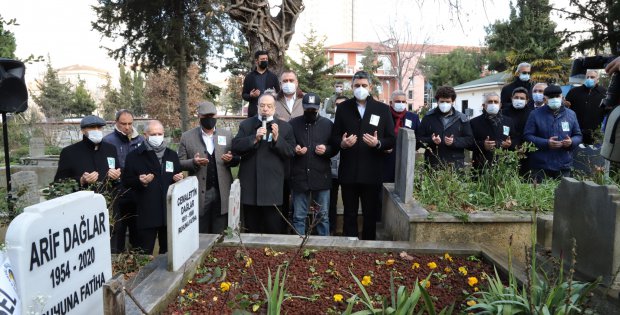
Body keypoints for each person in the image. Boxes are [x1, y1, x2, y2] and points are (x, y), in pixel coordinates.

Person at [331, 71, 396, 240]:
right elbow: (334, 136)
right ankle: (350, 245)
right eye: (357, 86)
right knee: (349, 213)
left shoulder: (382, 109)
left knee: (370, 214)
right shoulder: (343, 108)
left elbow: (391, 138)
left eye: (364, 86)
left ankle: (369, 246)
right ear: (352, 87)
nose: (360, 88)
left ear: (370, 87)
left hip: (372, 172)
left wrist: (378, 144)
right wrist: (342, 143)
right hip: (349, 172)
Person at [232, 94, 295, 234]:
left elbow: (290, 152)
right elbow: (235, 147)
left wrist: (277, 139)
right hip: (251, 186)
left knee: (273, 229)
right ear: (257, 107)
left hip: (273, 188)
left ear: (274, 107)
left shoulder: (285, 127)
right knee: (252, 229)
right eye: (262, 105)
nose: (265, 109)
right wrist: (253, 139)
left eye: (269, 106)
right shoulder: (246, 125)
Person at [178, 101, 240, 234]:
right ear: (199, 117)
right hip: (200, 191)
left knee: (220, 229)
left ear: (216, 116)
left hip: (221, 191)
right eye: (205, 116)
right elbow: (180, 162)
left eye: (212, 115)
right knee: (200, 229)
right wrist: (193, 162)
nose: (209, 119)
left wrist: (231, 159)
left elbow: (236, 158)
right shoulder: (187, 137)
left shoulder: (227, 135)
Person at [122, 120, 184, 254]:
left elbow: (177, 175)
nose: (157, 137)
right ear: (145, 135)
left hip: (168, 212)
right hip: (146, 212)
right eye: (153, 134)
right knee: (144, 252)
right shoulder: (134, 156)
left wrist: (178, 179)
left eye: (160, 133)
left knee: (168, 252)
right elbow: (126, 181)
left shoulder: (171, 155)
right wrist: (140, 181)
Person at [289, 93, 336, 236]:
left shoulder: (328, 124)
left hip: (321, 175)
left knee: (323, 216)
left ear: (319, 108)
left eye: (314, 110)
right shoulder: (293, 123)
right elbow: (288, 144)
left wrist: (326, 150)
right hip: (299, 176)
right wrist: (295, 149)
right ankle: (298, 246)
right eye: (308, 109)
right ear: (303, 107)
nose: (311, 112)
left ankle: (324, 248)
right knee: (298, 216)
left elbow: (335, 147)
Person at [102, 109, 144, 253]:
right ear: (116, 123)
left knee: (137, 229)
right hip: (117, 193)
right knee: (117, 230)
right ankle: (116, 257)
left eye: (130, 124)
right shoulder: (108, 141)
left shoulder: (140, 140)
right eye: (123, 124)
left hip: (136, 192)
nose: (127, 127)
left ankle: (137, 256)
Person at [524, 85, 583, 182]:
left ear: (561, 97)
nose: (554, 99)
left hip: (563, 164)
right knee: (540, 195)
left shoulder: (571, 114)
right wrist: (546, 143)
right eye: (551, 97)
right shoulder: (535, 114)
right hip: (541, 165)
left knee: (564, 195)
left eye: (557, 96)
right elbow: (527, 136)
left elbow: (578, 135)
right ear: (545, 99)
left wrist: (571, 142)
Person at [55, 115, 121, 189]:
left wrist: (117, 177)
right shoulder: (69, 152)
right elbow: (58, 183)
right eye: (92, 127)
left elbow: (118, 174)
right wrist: (81, 180)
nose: (96, 130)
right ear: (83, 130)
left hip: (108, 198)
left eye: (99, 127)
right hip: (82, 198)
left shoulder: (110, 149)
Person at [417, 86, 474, 169]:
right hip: (433, 163)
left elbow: (469, 140)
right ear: (437, 101)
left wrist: (454, 141)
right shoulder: (428, 117)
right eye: (442, 101)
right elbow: (418, 139)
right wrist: (431, 140)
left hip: (455, 165)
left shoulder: (462, 118)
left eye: (448, 102)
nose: (445, 104)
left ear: (453, 101)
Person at [469, 92, 516, 170]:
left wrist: (510, 144)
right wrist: (482, 145)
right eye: (490, 102)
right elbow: (468, 143)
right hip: (481, 166)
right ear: (484, 106)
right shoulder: (474, 122)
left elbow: (515, 138)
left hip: (503, 166)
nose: (493, 104)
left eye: (496, 102)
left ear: (500, 105)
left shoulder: (508, 121)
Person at [383, 90, 420, 183]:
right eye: (398, 101)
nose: (401, 104)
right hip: (386, 158)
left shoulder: (413, 117)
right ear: (391, 103)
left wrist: (414, 149)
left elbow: (419, 137)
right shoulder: (384, 115)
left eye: (403, 102)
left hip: (406, 159)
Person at [565, 70, 606, 145]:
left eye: (592, 77)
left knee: (593, 155)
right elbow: (566, 109)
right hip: (576, 131)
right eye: (587, 77)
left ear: (598, 79)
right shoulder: (574, 92)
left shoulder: (603, 93)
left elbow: (606, 111)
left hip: (595, 133)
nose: (589, 79)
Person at [503, 87, 534, 177]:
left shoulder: (532, 113)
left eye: (522, 98)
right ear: (511, 98)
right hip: (507, 152)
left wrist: (524, 147)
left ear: (527, 100)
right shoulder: (503, 113)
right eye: (516, 97)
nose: (518, 100)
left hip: (527, 153)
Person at [329, 95, 347, 235]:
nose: (339, 107)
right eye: (337, 105)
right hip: (331, 171)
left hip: (347, 169)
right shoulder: (329, 123)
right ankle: (332, 229)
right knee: (331, 203)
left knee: (349, 203)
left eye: (343, 104)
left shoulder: (352, 123)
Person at [242, 50, 280, 117]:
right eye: (262, 59)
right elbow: (244, 95)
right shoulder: (249, 77)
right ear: (257, 61)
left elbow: (279, 94)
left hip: (270, 113)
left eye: (266, 59)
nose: (265, 61)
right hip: (254, 113)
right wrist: (251, 95)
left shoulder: (273, 77)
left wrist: (274, 95)